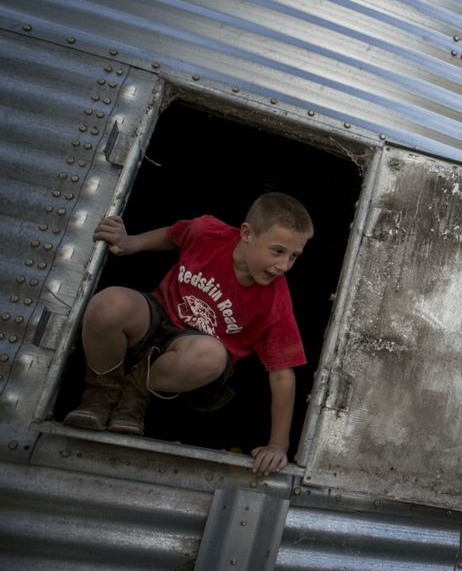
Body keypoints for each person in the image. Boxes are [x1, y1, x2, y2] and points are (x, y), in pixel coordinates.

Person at [64, 192, 313, 476]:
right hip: (157, 316)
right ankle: (101, 393)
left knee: (210, 355)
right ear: (247, 233)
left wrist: (278, 444)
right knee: (108, 304)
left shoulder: (275, 301)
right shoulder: (208, 232)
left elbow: (282, 374)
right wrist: (131, 243)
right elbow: (175, 235)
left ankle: (134, 396)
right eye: (277, 251)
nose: (284, 266)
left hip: (190, 355)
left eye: (294, 256)